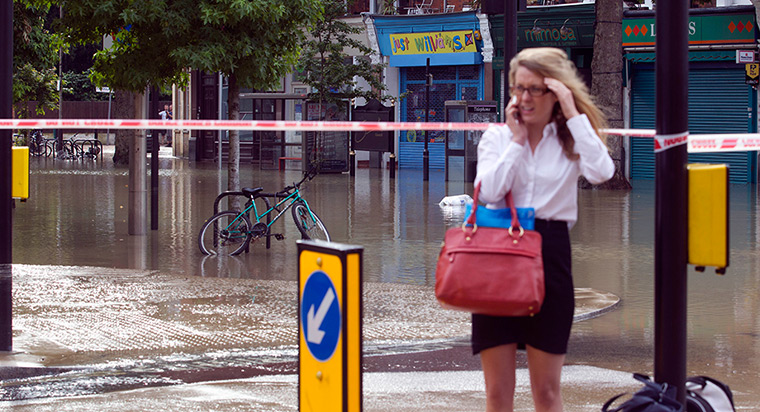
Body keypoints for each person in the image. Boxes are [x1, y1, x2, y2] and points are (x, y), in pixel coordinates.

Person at [472, 47, 614, 412]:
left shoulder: (569, 139)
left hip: (550, 255)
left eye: (535, 89)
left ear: (555, 91)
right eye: (519, 88)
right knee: (497, 392)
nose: (524, 98)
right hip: (498, 256)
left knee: (547, 391)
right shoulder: (498, 137)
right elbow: (488, 193)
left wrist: (571, 111)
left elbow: (603, 173)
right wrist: (517, 141)